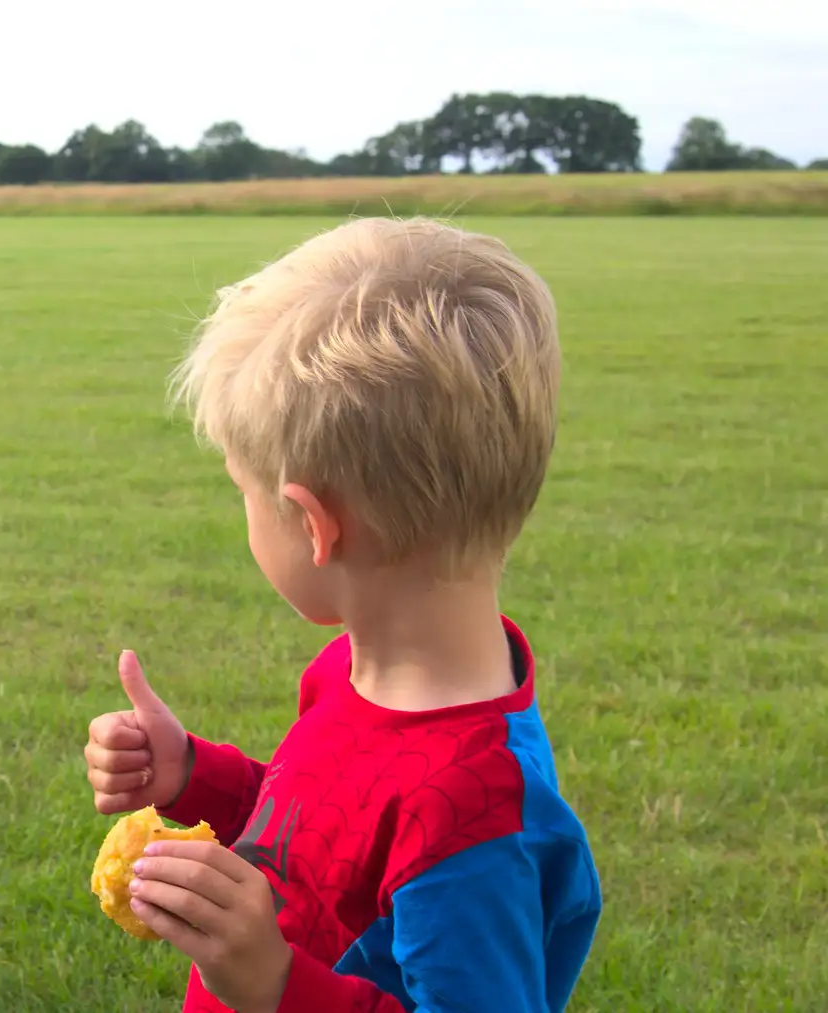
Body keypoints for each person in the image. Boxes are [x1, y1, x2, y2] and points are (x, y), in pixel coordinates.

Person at [82, 217, 602, 1012]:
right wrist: (193, 774)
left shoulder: (476, 820)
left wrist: (275, 983)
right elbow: (318, 841)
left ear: (315, 525)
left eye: (242, 491)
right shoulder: (356, 672)